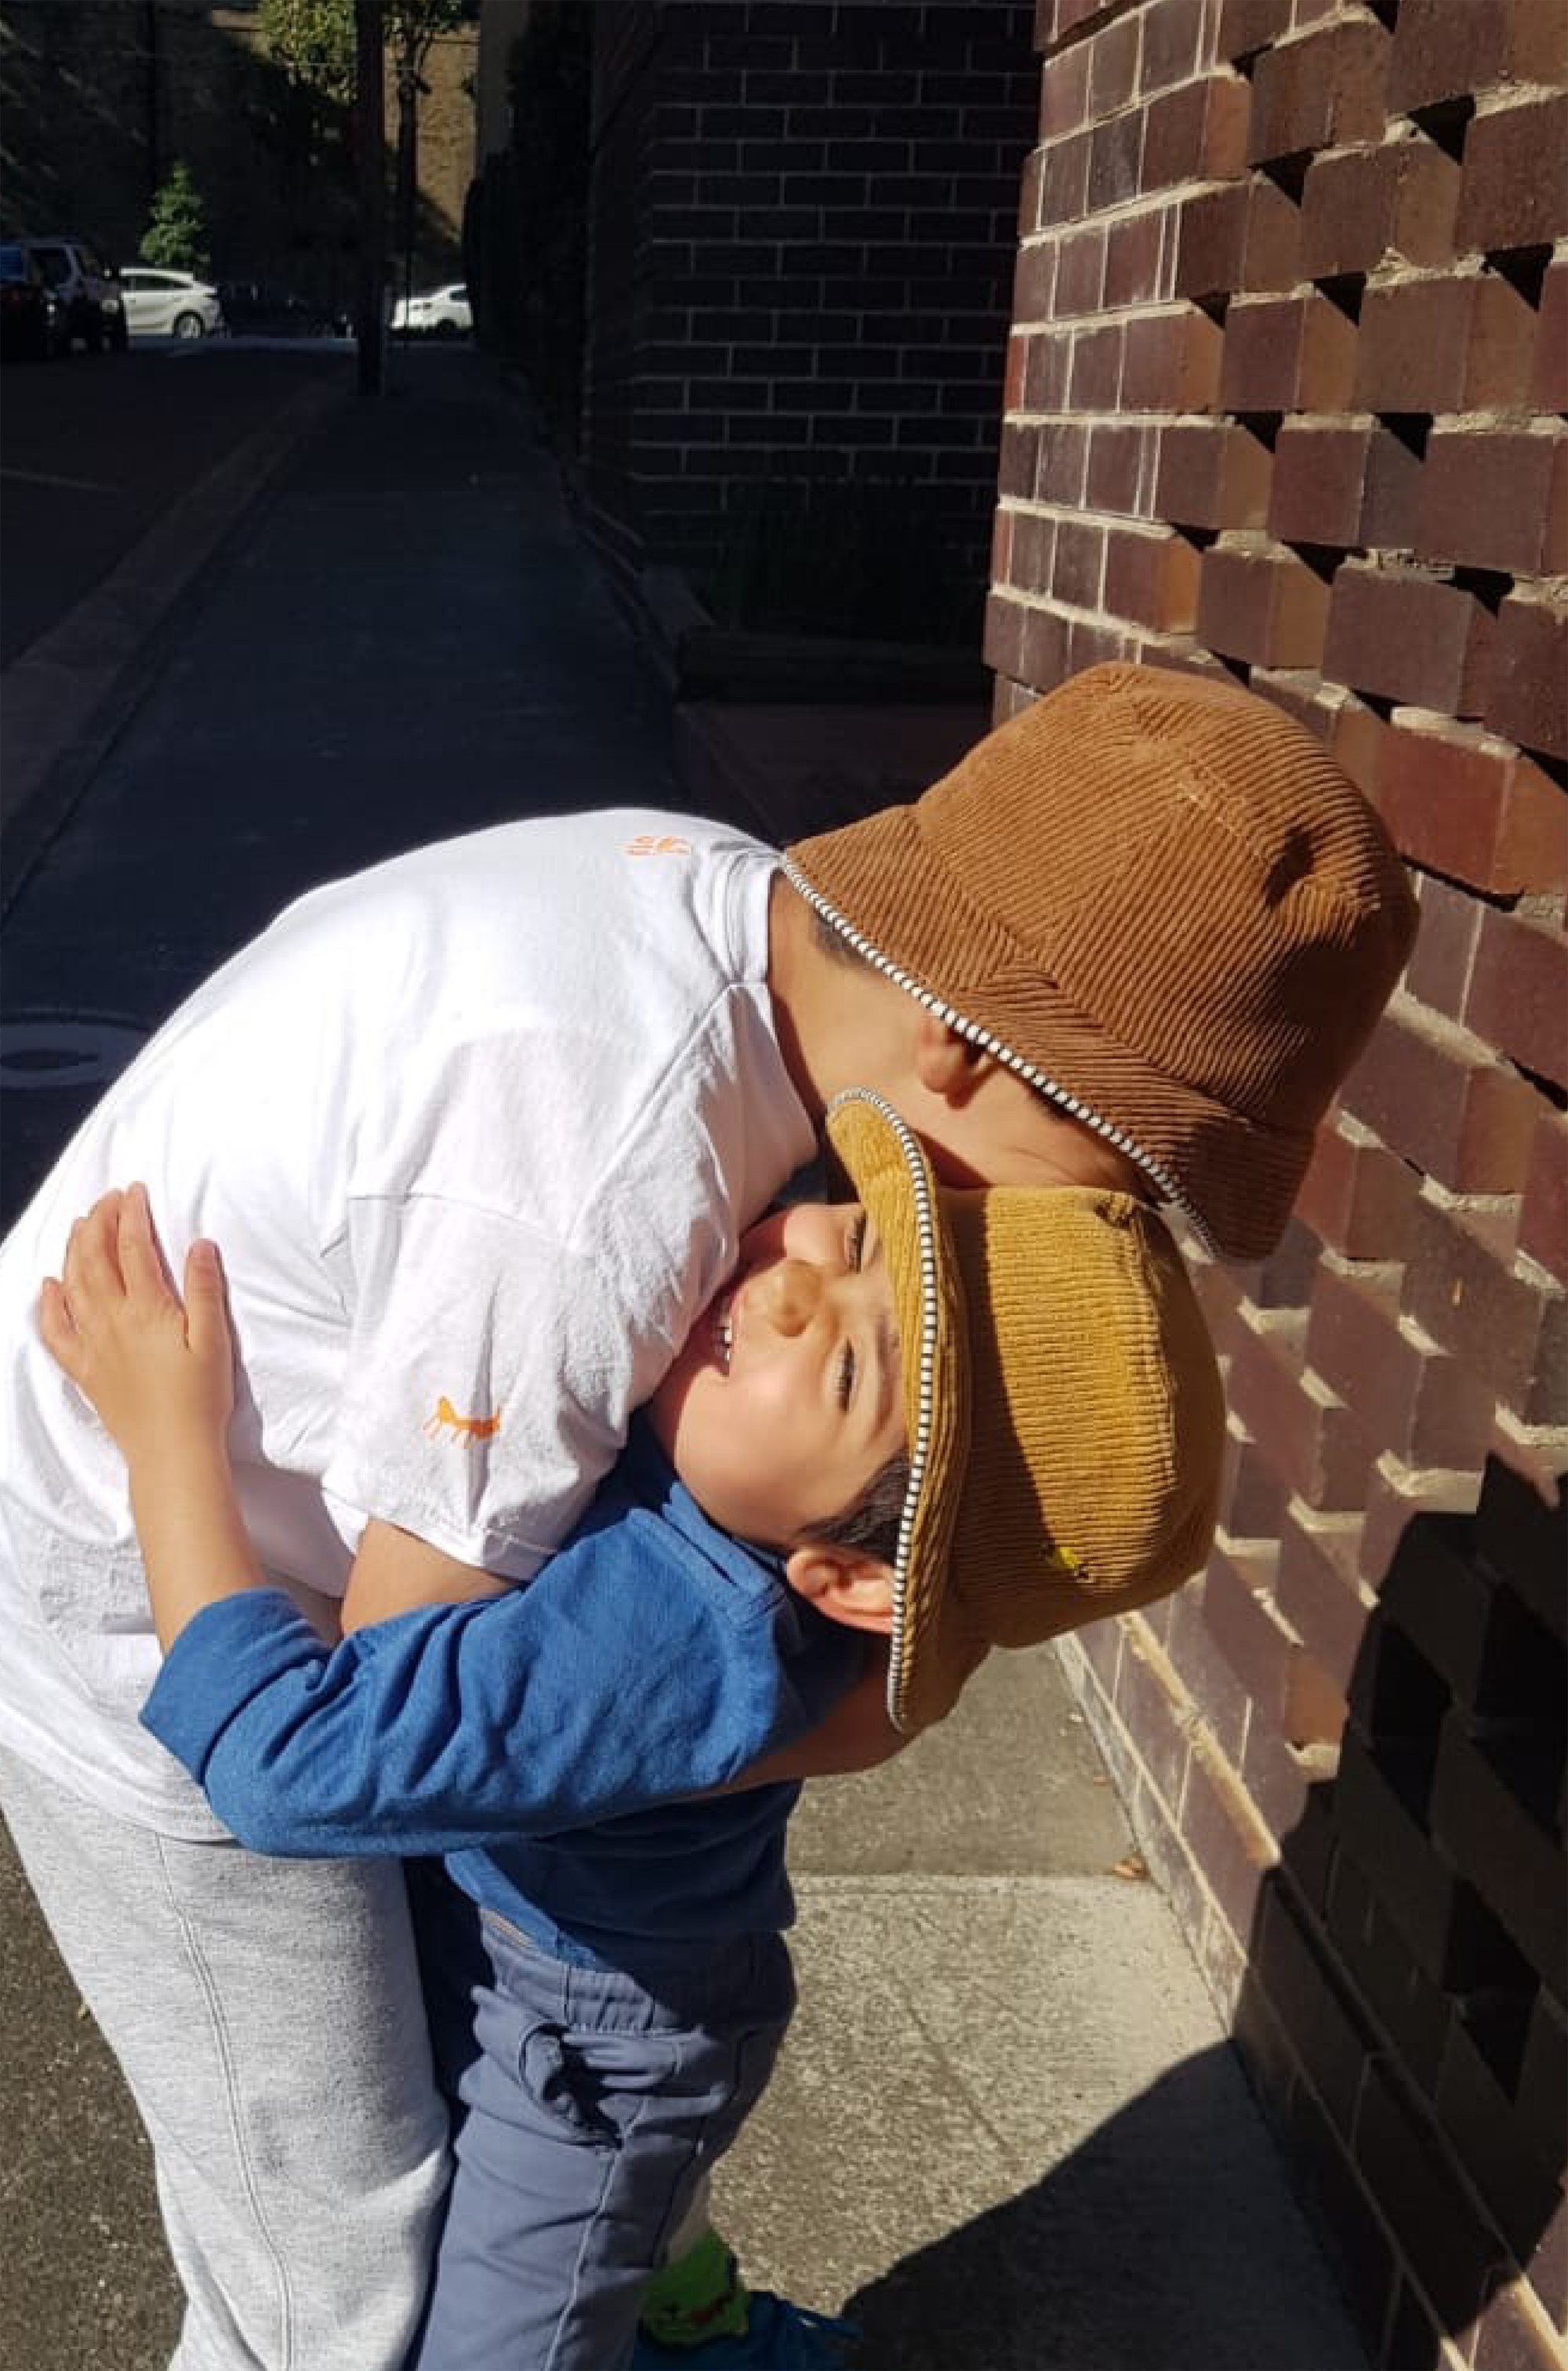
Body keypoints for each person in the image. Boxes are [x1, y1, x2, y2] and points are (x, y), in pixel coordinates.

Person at [0, 663, 1417, 2371]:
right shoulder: (595, 1187)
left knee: (473, 2152)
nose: (1114, 1239)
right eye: (1129, 1180)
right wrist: (770, 1719)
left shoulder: (745, 932)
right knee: (335, 2261)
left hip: (262, 1564)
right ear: (974, 1051)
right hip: (141, 1616)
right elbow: (393, 1730)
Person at [38, 1085, 1226, 2371]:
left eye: (842, 1372)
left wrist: (167, 1432)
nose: (785, 1286)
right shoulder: (727, 1437)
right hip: (546, 1926)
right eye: (861, 1240)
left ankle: (694, 2332)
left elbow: (290, 1760)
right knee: (584, 2235)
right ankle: (684, 2307)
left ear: (843, 1575)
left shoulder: (666, 1634)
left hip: (596, 2049)